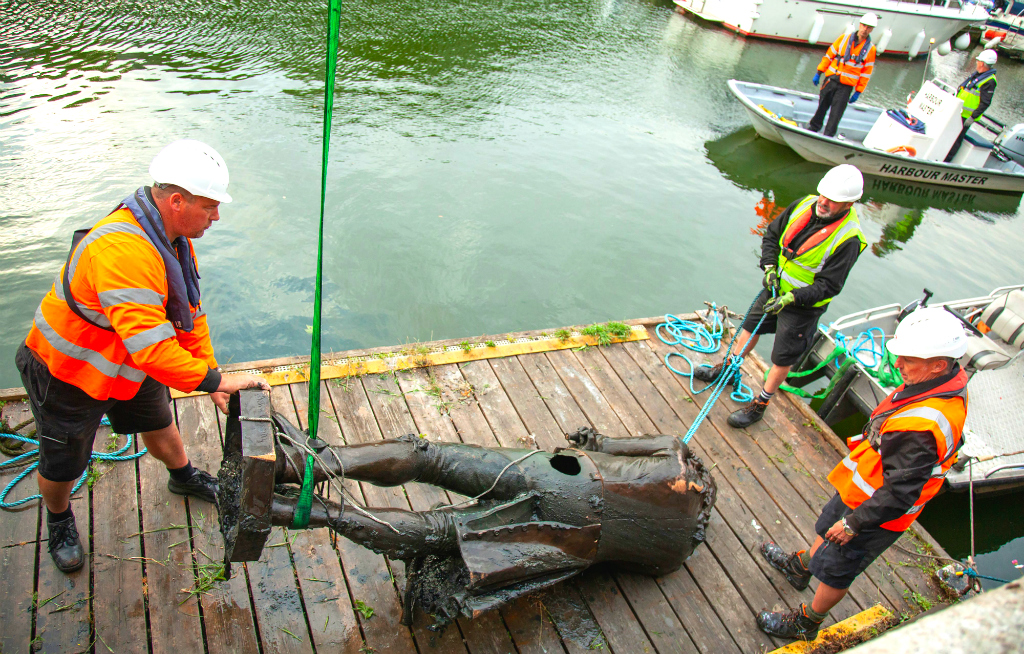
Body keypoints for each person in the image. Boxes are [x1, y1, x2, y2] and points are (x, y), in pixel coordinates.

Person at [16, 139, 269, 574]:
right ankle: (58, 518)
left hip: (130, 365)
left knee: (159, 421)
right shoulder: (124, 252)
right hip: (70, 372)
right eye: (210, 207)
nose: (216, 216)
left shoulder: (171, 239)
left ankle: (183, 475)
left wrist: (209, 373)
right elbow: (152, 349)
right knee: (64, 462)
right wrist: (216, 383)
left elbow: (190, 315)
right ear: (176, 201)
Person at [234, 421, 716, 629]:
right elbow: (621, 567)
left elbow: (600, 441)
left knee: (430, 458)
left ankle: (292, 465)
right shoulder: (670, 561)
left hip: (569, 475)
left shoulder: (677, 454)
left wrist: (594, 438)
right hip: (577, 539)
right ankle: (286, 513)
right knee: (441, 531)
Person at [755, 308, 969, 641]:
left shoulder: (924, 425)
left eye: (908, 360)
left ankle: (808, 622)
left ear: (938, 364)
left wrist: (855, 523)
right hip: (861, 489)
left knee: (838, 568)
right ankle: (802, 567)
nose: (897, 365)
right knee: (826, 526)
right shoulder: (941, 382)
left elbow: (900, 493)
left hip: (874, 513)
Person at [695, 164, 867, 428]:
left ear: (849, 203)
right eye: (823, 195)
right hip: (774, 288)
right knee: (748, 329)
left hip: (802, 307)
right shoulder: (803, 205)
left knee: (782, 358)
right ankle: (728, 370)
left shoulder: (849, 239)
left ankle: (760, 403)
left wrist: (793, 298)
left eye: (833, 200)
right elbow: (772, 236)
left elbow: (830, 286)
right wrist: (768, 267)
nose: (824, 202)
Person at [808, 14, 878, 137]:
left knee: (836, 114)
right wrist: (819, 72)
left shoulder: (870, 49)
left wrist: (858, 91)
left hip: (846, 86)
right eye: (864, 26)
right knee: (822, 107)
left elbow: (866, 73)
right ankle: (813, 128)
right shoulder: (844, 39)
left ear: (872, 29)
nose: (865, 29)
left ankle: (827, 136)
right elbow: (829, 56)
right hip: (831, 79)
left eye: (869, 27)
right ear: (860, 25)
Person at [944, 49, 998, 163]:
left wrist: (972, 117)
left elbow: (985, 102)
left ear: (982, 63)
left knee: (957, 139)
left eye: (978, 61)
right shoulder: (978, 75)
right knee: (948, 135)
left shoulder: (989, 81)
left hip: (966, 116)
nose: (976, 63)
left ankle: (946, 161)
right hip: (958, 112)